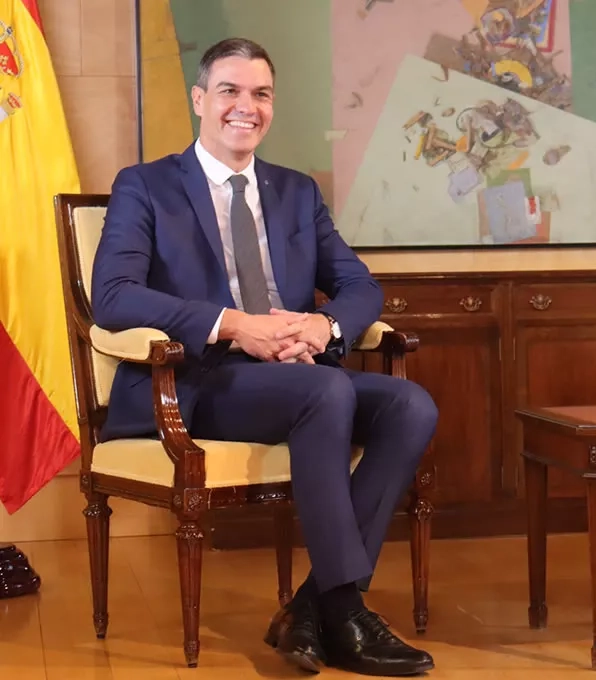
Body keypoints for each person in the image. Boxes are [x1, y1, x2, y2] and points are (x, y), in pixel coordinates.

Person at [91, 38, 437, 676]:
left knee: (409, 405)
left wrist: (322, 326)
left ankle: (308, 608)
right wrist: (234, 325)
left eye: (260, 94)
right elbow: (113, 296)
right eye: (229, 90)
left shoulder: (296, 191)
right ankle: (344, 612)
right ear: (199, 99)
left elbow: (360, 285)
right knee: (328, 391)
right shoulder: (146, 185)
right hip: (200, 382)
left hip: (295, 377)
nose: (245, 106)